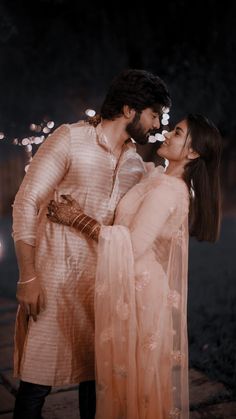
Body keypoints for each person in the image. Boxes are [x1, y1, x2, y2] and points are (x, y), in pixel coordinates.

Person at [11, 68, 171, 419]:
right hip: (53, 285)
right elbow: (26, 202)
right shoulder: (70, 139)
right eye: (154, 114)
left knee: (97, 387)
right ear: (130, 109)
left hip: (103, 291)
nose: (157, 123)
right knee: (35, 385)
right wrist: (28, 277)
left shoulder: (135, 165)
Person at [47, 113, 222, 419]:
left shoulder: (169, 191)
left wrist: (78, 220)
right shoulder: (157, 177)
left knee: (132, 389)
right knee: (120, 382)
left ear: (193, 152)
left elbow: (133, 245)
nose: (167, 134)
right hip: (127, 287)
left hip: (139, 295)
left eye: (178, 133)